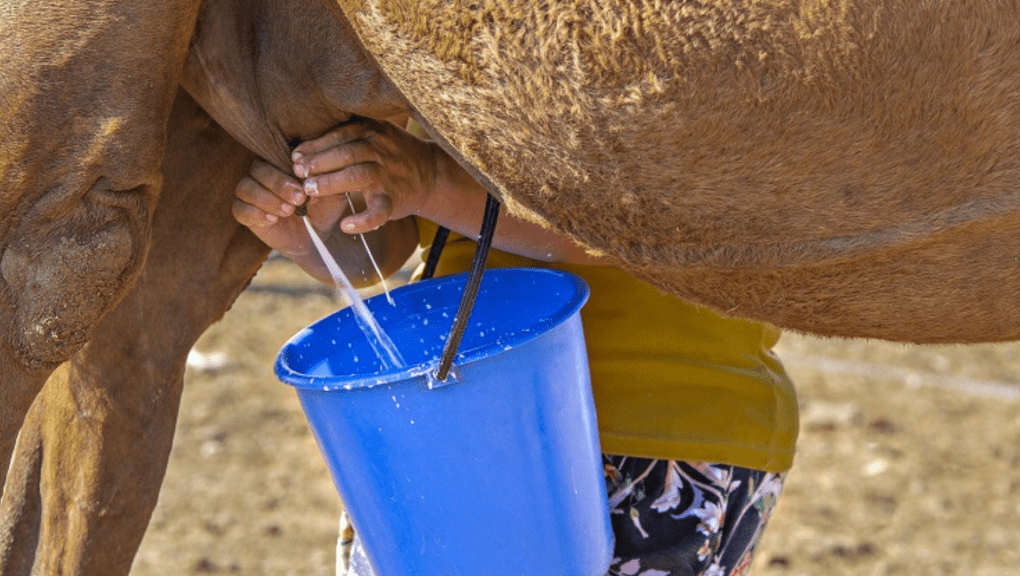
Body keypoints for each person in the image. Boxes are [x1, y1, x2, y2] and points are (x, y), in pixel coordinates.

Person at [233, 117, 799, 576]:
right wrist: (316, 233)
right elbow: (394, 237)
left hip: (653, 428)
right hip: (441, 429)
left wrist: (430, 179)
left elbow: (665, 224)